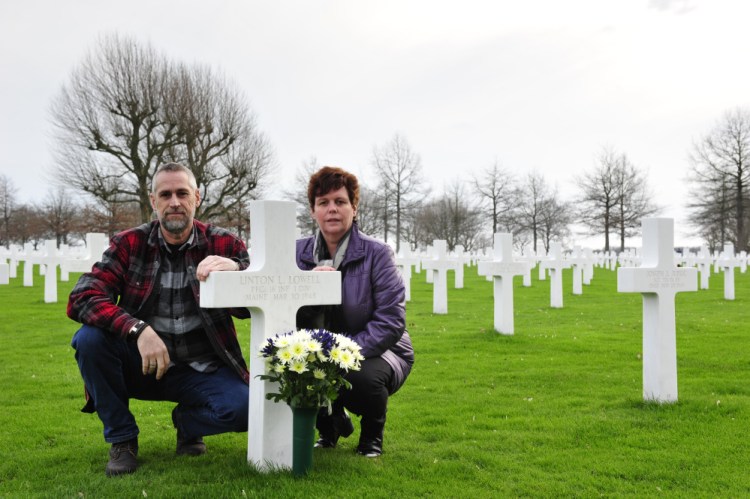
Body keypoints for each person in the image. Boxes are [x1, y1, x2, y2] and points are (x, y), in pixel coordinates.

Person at [68, 162, 251, 477]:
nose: (175, 202)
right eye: (165, 194)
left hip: (202, 368)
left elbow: (252, 302)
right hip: (144, 364)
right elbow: (82, 297)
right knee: (89, 340)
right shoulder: (129, 243)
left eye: (182, 193)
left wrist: (237, 272)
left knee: (246, 409)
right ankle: (123, 439)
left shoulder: (223, 244)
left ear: (197, 197)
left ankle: (188, 422)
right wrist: (137, 330)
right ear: (153, 201)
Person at [296, 166, 414, 457]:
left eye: (340, 201)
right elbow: (290, 310)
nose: (332, 209)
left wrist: (343, 352)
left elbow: (391, 320)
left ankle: (372, 435)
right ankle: (330, 427)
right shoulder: (297, 254)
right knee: (297, 366)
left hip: (381, 350)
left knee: (362, 377)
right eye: (323, 203)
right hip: (321, 346)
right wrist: (310, 287)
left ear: (354, 207)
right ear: (313, 211)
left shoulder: (377, 253)